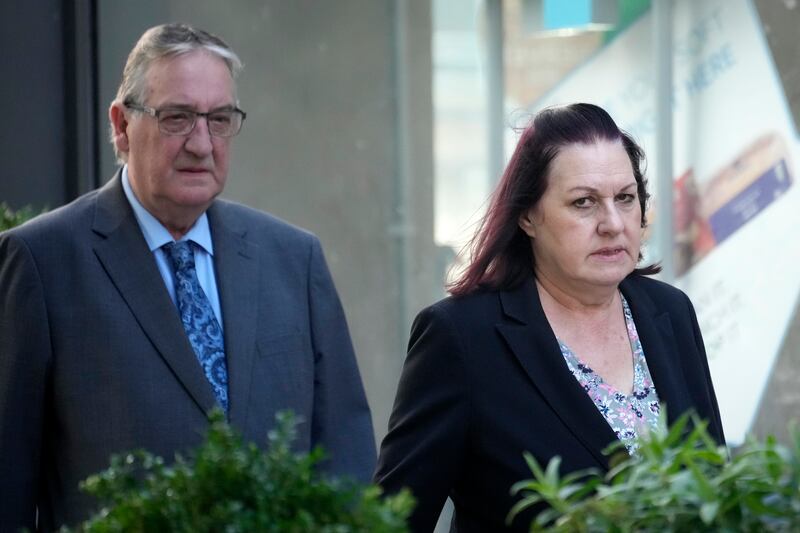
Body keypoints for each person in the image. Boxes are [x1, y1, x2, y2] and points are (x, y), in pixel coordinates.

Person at [0, 23, 376, 530]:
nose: (202, 144)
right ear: (121, 125)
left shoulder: (293, 258)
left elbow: (346, 466)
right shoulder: (43, 261)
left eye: (219, 119)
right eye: (177, 118)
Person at [374, 103, 725, 532]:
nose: (613, 223)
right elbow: (391, 520)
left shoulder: (670, 312)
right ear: (527, 216)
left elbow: (715, 488)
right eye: (584, 202)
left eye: (625, 199)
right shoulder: (463, 338)